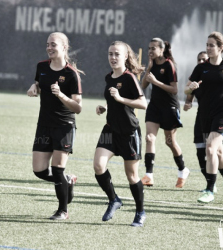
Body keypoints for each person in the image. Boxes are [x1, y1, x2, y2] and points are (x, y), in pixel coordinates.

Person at [27, 32, 82, 220]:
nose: (49, 47)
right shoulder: (41, 66)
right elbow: (38, 83)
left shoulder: (71, 74)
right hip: (44, 125)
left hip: (64, 126)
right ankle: (68, 181)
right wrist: (34, 88)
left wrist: (61, 95)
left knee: (57, 168)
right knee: (39, 170)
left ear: (64, 48)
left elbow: (78, 107)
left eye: (54, 45)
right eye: (47, 44)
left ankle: (62, 210)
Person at [186, 31, 223, 204]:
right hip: (205, 114)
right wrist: (191, 87)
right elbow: (186, 89)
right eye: (207, 45)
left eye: (212, 45)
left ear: (221, 47)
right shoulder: (201, 67)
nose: (208, 48)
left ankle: (210, 190)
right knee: (218, 151)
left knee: (210, 149)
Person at [94, 41, 147, 227]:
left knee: (131, 176)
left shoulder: (130, 77)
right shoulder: (109, 77)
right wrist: (106, 106)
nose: (113, 57)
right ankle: (114, 199)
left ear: (126, 56)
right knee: (98, 166)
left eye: (117, 54)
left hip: (129, 132)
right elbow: (114, 101)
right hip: (110, 129)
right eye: (110, 54)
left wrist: (120, 98)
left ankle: (140, 212)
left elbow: (143, 103)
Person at [140, 38, 189, 188]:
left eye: (153, 48)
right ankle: (149, 175)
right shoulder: (152, 64)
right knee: (149, 138)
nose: (150, 51)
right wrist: (148, 68)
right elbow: (143, 85)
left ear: (162, 50)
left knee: (170, 142)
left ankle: (182, 170)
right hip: (154, 106)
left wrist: (155, 82)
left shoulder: (169, 65)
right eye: (149, 48)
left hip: (169, 107)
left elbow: (174, 90)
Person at [184, 52, 223, 193]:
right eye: (198, 59)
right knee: (202, 153)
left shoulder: (217, 76)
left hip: (217, 117)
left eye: (203, 58)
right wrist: (188, 101)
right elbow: (188, 93)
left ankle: (214, 185)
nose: (201, 61)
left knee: (213, 150)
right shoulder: (198, 75)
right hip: (202, 117)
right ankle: (218, 181)